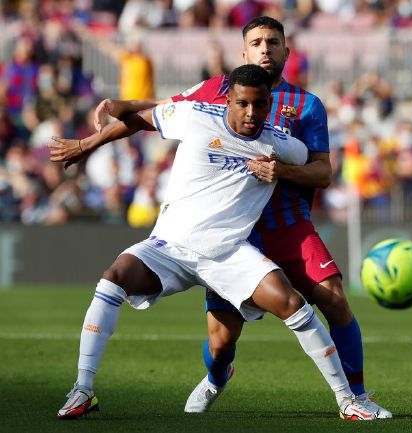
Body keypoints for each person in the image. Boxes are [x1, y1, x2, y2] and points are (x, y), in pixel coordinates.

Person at [93, 16, 391, 418]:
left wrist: (282, 172)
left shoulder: (308, 105)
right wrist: (96, 133)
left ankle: (357, 396)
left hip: (286, 223)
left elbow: (323, 173)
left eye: (273, 42)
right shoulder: (218, 89)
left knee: (333, 298)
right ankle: (217, 376)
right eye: (256, 43)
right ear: (243, 52)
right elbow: (164, 112)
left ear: (287, 50)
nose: (265, 49)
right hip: (230, 231)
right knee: (220, 339)